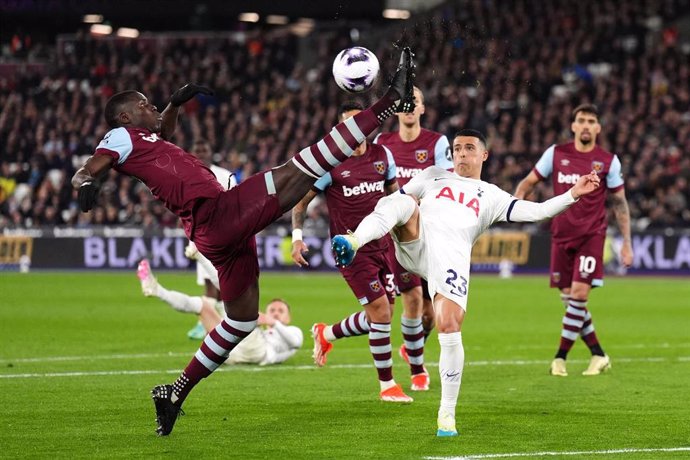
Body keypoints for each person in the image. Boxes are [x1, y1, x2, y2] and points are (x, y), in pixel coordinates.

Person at [71, 47, 416, 436]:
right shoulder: (118, 136)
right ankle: (390, 100)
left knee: (241, 319)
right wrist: (85, 184)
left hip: (216, 231)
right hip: (219, 212)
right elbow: (88, 168)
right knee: (302, 165)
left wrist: (173, 104)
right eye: (144, 105)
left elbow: (162, 131)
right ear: (124, 117)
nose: (150, 108)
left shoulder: (142, 136)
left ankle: (175, 393)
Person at [330, 129, 602, 437]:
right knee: (400, 202)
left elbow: (537, 212)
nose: (461, 153)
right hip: (416, 245)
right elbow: (395, 204)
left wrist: (573, 194)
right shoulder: (432, 175)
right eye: (457, 148)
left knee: (448, 325)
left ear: (483, 155)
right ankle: (353, 241)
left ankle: (446, 415)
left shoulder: (491, 195)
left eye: (469, 148)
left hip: (450, 259)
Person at [291, 102, 412, 403]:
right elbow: (300, 203)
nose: (356, 131)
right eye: (348, 125)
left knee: (381, 314)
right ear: (339, 130)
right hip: (351, 251)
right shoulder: (330, 164)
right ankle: (387, 386)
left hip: (385, 246)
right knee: (381, 313)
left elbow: (396, 198)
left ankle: (326, 333)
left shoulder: (383, 156)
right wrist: (296, 238)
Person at [514, 103, 633, 377]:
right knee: (571, 301)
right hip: (561, 235)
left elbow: (620, 203)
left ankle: (560, 358)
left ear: (598, 128)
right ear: (574, 126)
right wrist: (513, 207)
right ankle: (598, 354)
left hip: (592, 236)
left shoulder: (608, 161)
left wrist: (626, 242)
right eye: (582, 120)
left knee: (579, 295)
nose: (587, 125)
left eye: (592, 121)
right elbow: (528, 183)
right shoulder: (555, 154)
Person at [373, 86, 451, 388]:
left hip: (431, 236)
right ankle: (417, 369)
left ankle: (412, 345)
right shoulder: (383, 142)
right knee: (413, 298)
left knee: (430, 314)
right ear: (396, 110)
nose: (408, 107)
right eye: (403, 102)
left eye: (413, 102)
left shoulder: (436, 142)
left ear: (422, 109)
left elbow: (445, 182)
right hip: (399, 236)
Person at [136, 258, 302, 365]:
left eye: (281, 310)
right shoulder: (263, 329)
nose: (275, 312)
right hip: (234, 352)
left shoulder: (292, 331)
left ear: (288, 318)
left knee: (235, 299)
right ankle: (156, 290)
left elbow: (296, 343)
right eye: (272, 310)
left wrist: (274, 323)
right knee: (202, 306)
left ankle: (200, 256)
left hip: (258, 351)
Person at [186, 139, 237, 340]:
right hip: (200, 236)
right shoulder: (186, 174)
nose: (200, 153)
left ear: (210, 152)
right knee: (208, 282)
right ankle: (206, 323)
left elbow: (237, 201)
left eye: (204, 149)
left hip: (224, 235)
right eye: (197, 150)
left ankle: (226, 321)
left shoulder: (224, 175)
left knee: (224, 281)